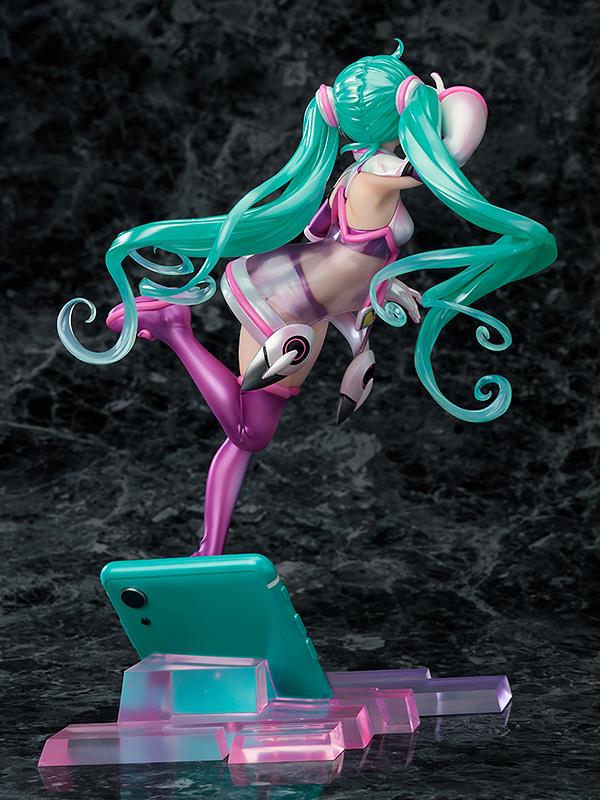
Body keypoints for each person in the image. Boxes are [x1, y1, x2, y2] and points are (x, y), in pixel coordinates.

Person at [57, 41, 557, 556]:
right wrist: (452, 99)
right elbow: (448, 160)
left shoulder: (360, 166)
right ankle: (174, 330)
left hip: (316, 307)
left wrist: (386, 283)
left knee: (247, 439)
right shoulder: (379, 174)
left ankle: (209, 550)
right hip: (285, 302)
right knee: (249, 433)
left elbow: (345, 246)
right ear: (404, 113)